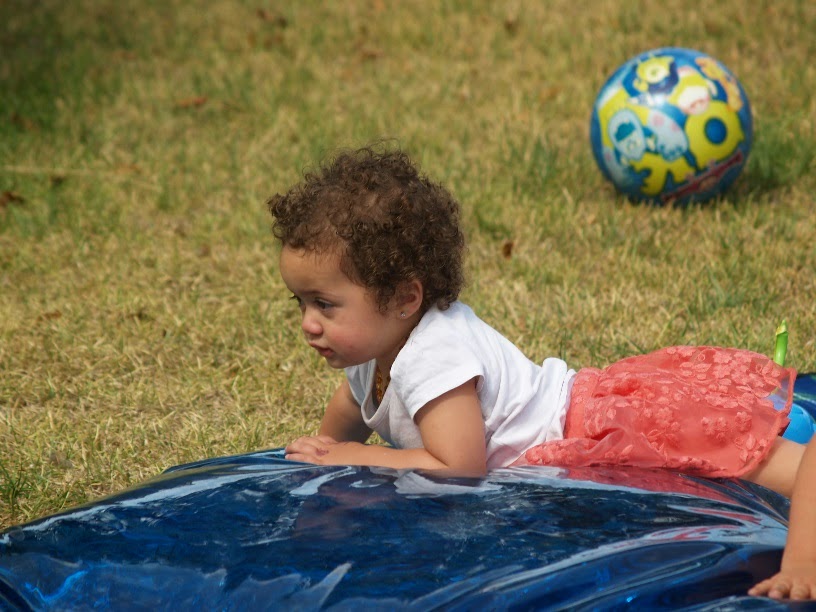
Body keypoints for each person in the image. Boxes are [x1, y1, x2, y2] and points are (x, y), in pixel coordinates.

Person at [267, 144, 815, 600]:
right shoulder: (372, 350)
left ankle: (804, 560)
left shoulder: (433, 355)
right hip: (570, 441)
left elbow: (459, 466)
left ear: (404, 296)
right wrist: (323, 454)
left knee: (761, 465)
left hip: (600, 430)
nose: (309, 325)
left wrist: (358, 456)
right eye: (300, 304)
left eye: (324, 304)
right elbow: (344, 416)